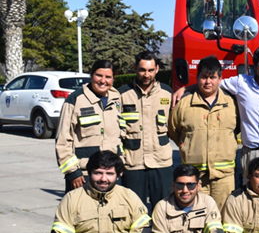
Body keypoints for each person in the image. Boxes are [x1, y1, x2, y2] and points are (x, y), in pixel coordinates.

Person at [173, 46, 259, 187]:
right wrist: (185, 88)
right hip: (251, 154)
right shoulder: (241, 83)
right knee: (250, 198)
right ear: (255, 65)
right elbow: (212, 82)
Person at [168, 55, 239, 209]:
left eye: (212, 77)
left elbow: (238, 130)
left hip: (224, 176)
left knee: (224, 215)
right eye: (203, 77)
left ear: (220, 79)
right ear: (197, 77)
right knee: (196, 216)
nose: (208, 82)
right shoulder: (184, 104)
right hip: (194, 176)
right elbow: (173, 131)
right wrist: (186, 145)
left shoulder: (233, 103)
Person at [56, 60, 123, 193]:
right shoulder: (75, 100)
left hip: (111, 173)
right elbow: (62, 140)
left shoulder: (117, 99)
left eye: (108, 77)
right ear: (91, 75)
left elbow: (119, 136)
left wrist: (121, 162)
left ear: (113, 79)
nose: (103, 81)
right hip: (84, 175)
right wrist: (72, 172)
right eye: (99, 75)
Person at [118, 51, 174, 211]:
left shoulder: (167, 93)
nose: (146, 74)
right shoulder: (122, 94)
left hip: (161, 162)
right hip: (133, 163)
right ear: (135, 68)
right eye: (142, 70)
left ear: (157, 69)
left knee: (164, 210)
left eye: (150, 70)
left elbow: (175, 125)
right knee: (133, 211)